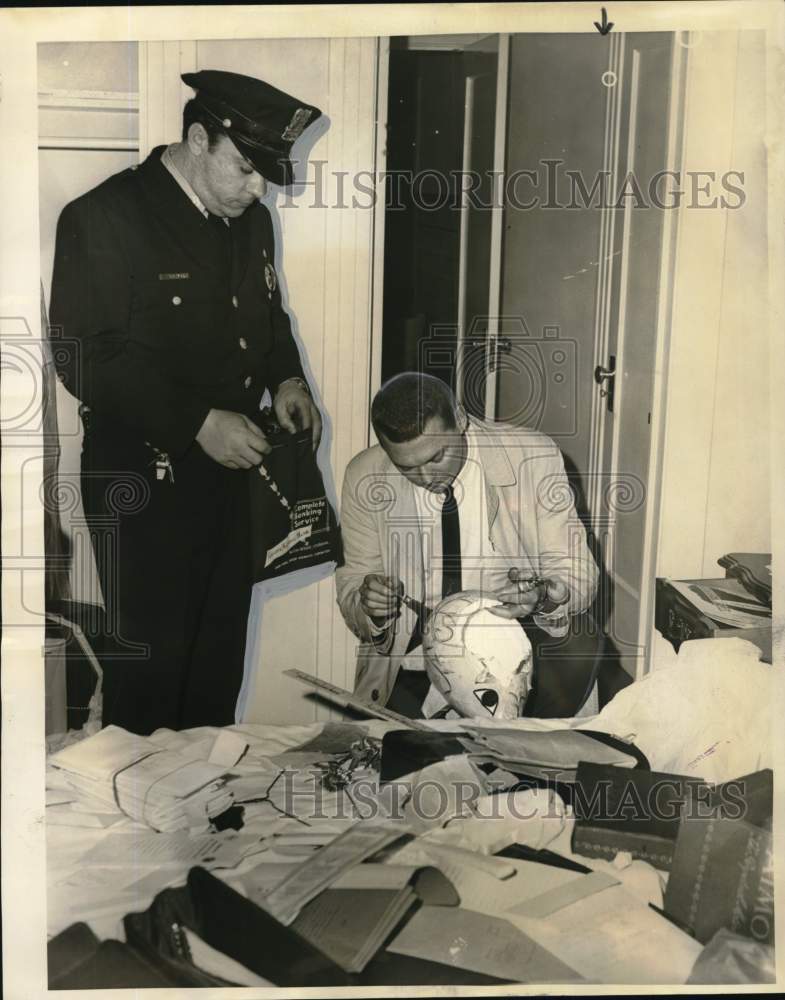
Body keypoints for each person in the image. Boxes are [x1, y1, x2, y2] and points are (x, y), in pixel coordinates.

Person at [50, 70, 323, 734]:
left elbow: (266, 312)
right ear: (197, 139)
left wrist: (287, 378)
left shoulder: (247, 219)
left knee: (216, 662)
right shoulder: (103, 217)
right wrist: (197, 422)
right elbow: (84, 354)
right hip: (140, 478)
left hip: (228, 477)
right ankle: (145, 829)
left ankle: (204, 824)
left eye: (265, 175)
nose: (257, 189)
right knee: (151, 675)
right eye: (244, 170)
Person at [336, 372, 600, 719]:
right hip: (416, 651)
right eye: (407, 467)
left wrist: (546, 595)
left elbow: (579, 572)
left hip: (516, 632)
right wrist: (370, 605)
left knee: (533, 758)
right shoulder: (364, 475)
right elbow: (353, 584)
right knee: (406, 764)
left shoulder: (532, 456)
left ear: (460, 419)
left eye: (436, 457)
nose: (428, 478)